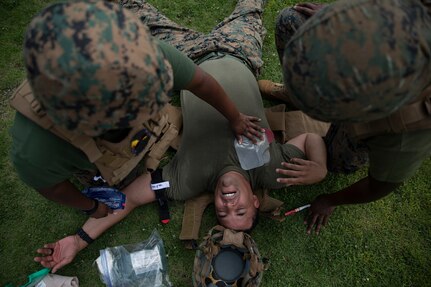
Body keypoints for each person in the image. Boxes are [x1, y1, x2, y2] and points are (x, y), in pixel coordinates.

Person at [31, 0, 328, 273]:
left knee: (132, 9)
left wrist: (79, 240)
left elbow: (130, 199)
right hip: (239, 53)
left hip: (186, 62)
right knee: (251, 7)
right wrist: (319, 167)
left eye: (223, 213)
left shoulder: (186, 180)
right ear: (255, 201)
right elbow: (308, 140)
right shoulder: (273, 172)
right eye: (239, 210)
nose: (228, 205)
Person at [10, 0, 265, 220]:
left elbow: (200, 82)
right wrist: (90, 206)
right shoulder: (38, 150)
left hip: (210, 55)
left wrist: (235, 117)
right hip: (236, 55)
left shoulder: (144, 57)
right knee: (120, 176)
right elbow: (51, 187)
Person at [259, 0, 431, 234]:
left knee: (336, 159)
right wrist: (337, 17)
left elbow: (378, 186)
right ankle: (294, 93)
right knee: (291, 20)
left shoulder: (406, 134)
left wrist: (329, 200)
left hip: (391, 115)